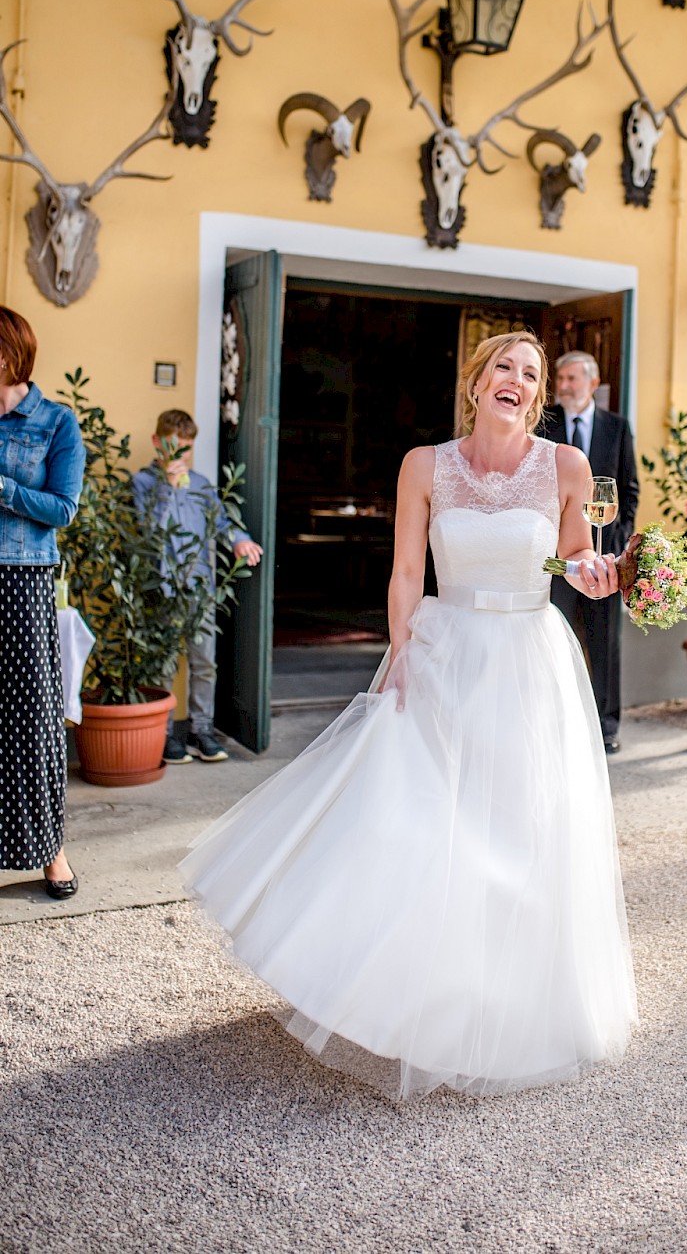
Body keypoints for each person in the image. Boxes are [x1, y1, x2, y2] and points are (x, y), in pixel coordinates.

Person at [180, 331, 637, 1099]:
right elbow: (403, 571)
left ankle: (508, 1005)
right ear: (476, 380)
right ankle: (415, 999)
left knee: (522, 827)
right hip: (444, 649)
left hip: (529, 658)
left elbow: (572, 562)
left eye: (530, 375)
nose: (518, 382)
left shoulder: (567, 466)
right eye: (505, 368)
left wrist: (605, 575)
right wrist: (398, 656)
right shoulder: (425, 465)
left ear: (539, 394)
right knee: (429, 818)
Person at [0, 306, 85, 899]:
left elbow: (63, 508)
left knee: (33, 720)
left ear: (9, 355)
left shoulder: (56, 422)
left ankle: (51, 851)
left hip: (24, 577)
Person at [133, 410, 262, 764]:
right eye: (173, 450)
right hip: (164, 590)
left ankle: (201, 729)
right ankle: (162, 735)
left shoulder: (203, 485)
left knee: (205, 662)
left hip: (200, 588)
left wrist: (239, 541)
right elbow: (148, 533)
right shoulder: (144, 483)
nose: (179, 459)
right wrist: (168, 489)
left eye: (185, 452)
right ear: (157, 443)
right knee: (164, 664)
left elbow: (222, 521)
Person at [538, 351, 639, 754]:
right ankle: (554, 722)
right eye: (560, 377)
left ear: (592, 383)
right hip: (556, 557)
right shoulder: (542, 423)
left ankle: (606, 726)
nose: (564, 384)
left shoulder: (617, 427)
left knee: (604, 642)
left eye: (572, 378)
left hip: (605, 559)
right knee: (553, 636)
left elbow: (628, 490)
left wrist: (617, 546)